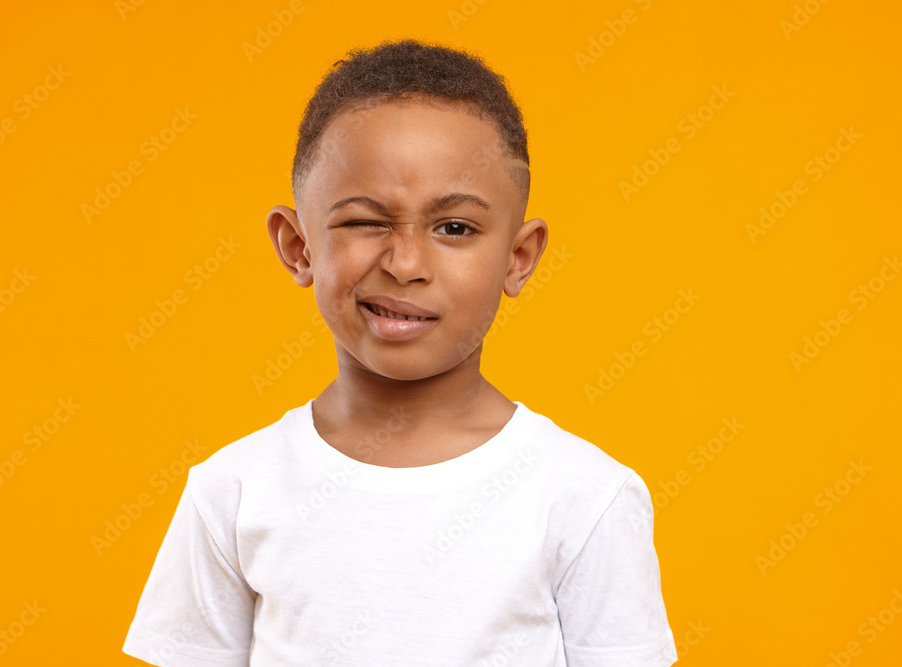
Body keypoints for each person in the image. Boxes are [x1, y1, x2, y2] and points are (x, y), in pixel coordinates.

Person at [122, 37, 678, 666]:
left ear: (517, 260)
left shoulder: (586, 496)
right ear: (299, 246)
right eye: (365, 221)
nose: (406, 263)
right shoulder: (233, 491)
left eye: (455, 228)